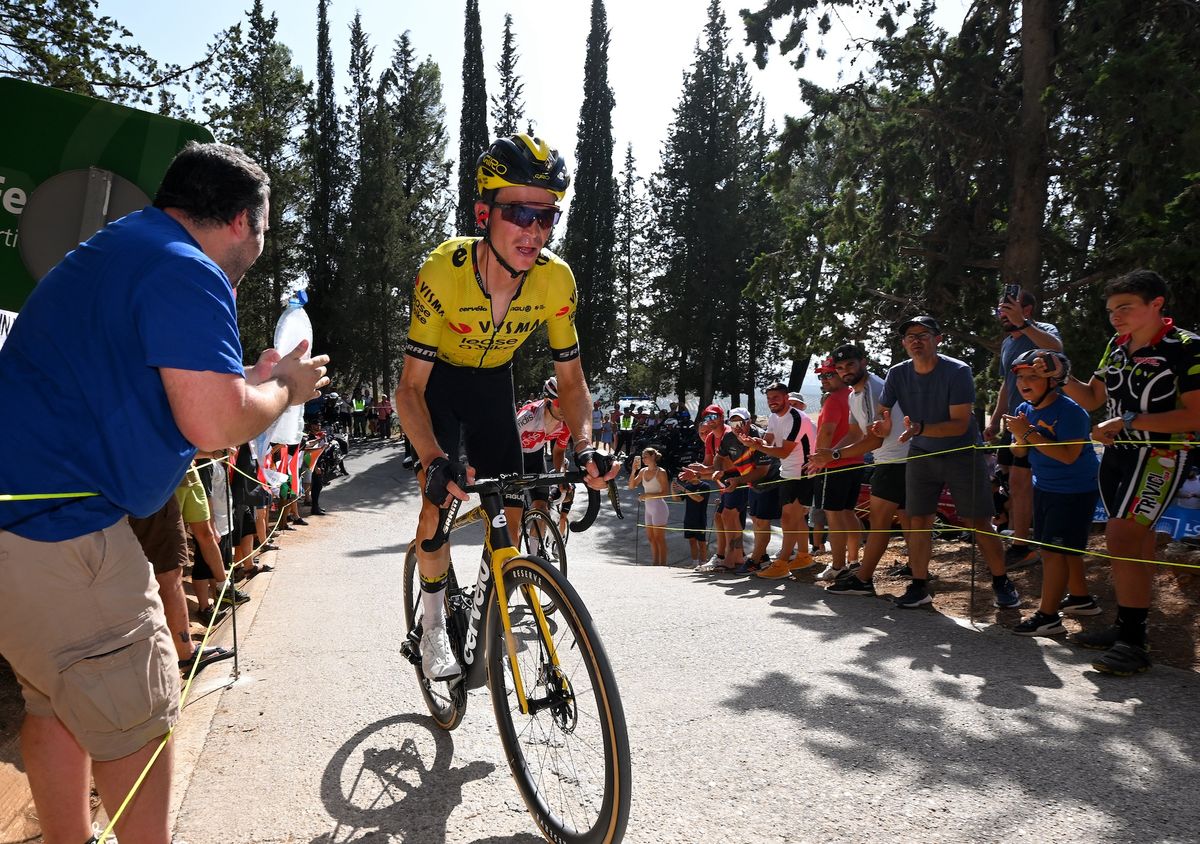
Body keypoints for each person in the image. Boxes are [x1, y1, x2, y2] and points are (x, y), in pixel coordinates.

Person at [0, 141, 328, 844]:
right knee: (136, 720)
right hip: (67, 534)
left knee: (54, 703)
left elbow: (165, 384)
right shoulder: (188, 269)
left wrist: (249, 377)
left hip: (22, 527)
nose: (261, 245)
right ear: (242, 220)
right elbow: (212, 421)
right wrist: (282, 388)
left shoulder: (129, 248)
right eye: (265, 228)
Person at [395, 133, 618, 682]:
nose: (534, 231)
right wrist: (431, 458)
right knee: (436, 506)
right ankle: (429, 629)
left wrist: (586, 445)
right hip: (439, 386)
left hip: (495, 382)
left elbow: (571, 381)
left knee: (512, 510)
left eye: (547, 218)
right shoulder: (442, 273)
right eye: (520, 213)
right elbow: (409, 389)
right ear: (483, 213)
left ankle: (483, 600)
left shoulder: (555, 279)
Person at [1060, 269, 1200, 675]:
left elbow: (1194, 415)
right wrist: (1060, 376)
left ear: (1157, 304)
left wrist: (1130, 420)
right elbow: (1091, 398)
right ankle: (1128, 627)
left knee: (1122, 535)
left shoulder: (1186, 346)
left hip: (1162, 453)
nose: (1115, 317)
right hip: (1118, 454)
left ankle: (1134, 642)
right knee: (1133, 543)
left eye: (1126, 308)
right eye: (1110, 310)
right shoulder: (1116, 345)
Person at [875, 316, 1018, 610]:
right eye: (909, 336)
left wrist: (919, 429)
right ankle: (918, 585)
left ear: (938, 339)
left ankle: (1002, 581)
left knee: (978, 521)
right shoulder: (897, 373)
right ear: (903, 344)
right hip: (921, 453)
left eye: (923, 334)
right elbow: (884, 411)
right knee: (917, 521)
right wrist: (881, 424)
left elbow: (959, 424)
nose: (915, 340)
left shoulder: (957, 371)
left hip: (962, 453)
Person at [1002, 350, 1102, 636]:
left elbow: (1069, 455)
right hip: (1045, 487)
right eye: (1020, 377)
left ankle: (1048, 616)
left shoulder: (1071, 411)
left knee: (1052, 551)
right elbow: (1018, 451)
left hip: (1074, 490)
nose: (1024, 382)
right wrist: (1021, 435)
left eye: (1033, 376)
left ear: (1052, 380)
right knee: (1065, 548)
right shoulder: (1025, 409)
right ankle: (1081, 599)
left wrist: (1029, 433)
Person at [821, 344, 913, 597]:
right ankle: (918, 576)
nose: (845, 371)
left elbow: (875, 439)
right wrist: (827, 456)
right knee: (907, 520)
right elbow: (854, 432)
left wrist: (835, 454)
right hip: (893, 460)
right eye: (839, 368)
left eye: (850, 364)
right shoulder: (853, 395)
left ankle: (863, 579)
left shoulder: (875, 388)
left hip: (895, 460)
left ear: (864, 361)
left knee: (879, 521)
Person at [984, 288, 1063, 570]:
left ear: (1026, 309)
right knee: (1005, 481)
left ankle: (1027, 544)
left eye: (1007, 309)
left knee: (1025, 481)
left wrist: (1025, 324)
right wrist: (994, 420)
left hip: (1042, 419)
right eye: (1000, 310)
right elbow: (1007, 382)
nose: (1001, 315)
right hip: (1015, 421)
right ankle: (1018, 538)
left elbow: (1057, 349)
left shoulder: (1042, 330)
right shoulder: (1007, 343)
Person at [747, 383, 816, 579]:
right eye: (769, 399)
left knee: (788, 518)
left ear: (786, 397)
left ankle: (783, 563)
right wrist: (754, 443)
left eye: (776, 397)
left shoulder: (796, 418)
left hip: (802, 472)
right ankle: (803, 555)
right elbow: (768, 441)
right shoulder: (774, 416)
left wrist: (759, 447)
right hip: (788, 471)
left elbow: (783, 451)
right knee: (795, 517)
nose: (772, 402)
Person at [809, 357, 865, 581]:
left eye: (828, 374)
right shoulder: (853, 396)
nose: (824, 379)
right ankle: (853, 560)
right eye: (821, 375)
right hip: (856, 460)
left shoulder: (833, 399)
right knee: (847, 512)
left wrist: (818, 459)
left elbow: (827, 432)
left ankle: (839, 564)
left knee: (834, 515)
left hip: (834, 464)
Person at [515, 376, 572, 550]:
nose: (564, 408)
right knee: (514, 516)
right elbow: (506, 440)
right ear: (548, 400)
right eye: (559, 403)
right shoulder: (529, 414)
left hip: (536, 456)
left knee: (542, 509)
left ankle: (533, 558)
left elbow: (559, 451)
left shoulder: (567, 423)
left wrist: (561, 476)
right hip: (515, 457)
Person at [629, 447, 671, 565]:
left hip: (659, 507)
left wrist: (647, 495)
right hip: (649, 508)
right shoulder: (643, 471)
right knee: (651, 538)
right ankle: (655, 563)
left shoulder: (661, 472)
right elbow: (632, 486)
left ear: (653, 457)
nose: (643, 459)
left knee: (659, 538)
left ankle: (662, 564)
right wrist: (633, 471)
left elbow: (665, 492)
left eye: (645, 457)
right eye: (642, 457)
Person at [671, 474, 713, 567]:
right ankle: (694, 563)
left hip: (700, 519)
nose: (687, 477)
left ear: (696, 475)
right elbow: (676, 499)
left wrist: (684, 490)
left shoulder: (705, 486)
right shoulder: (688, 487)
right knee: (692, 541)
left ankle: (703, 563)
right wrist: (673, 488)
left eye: (689, 474)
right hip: (689, 519)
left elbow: (699, 499)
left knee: (702, 543)